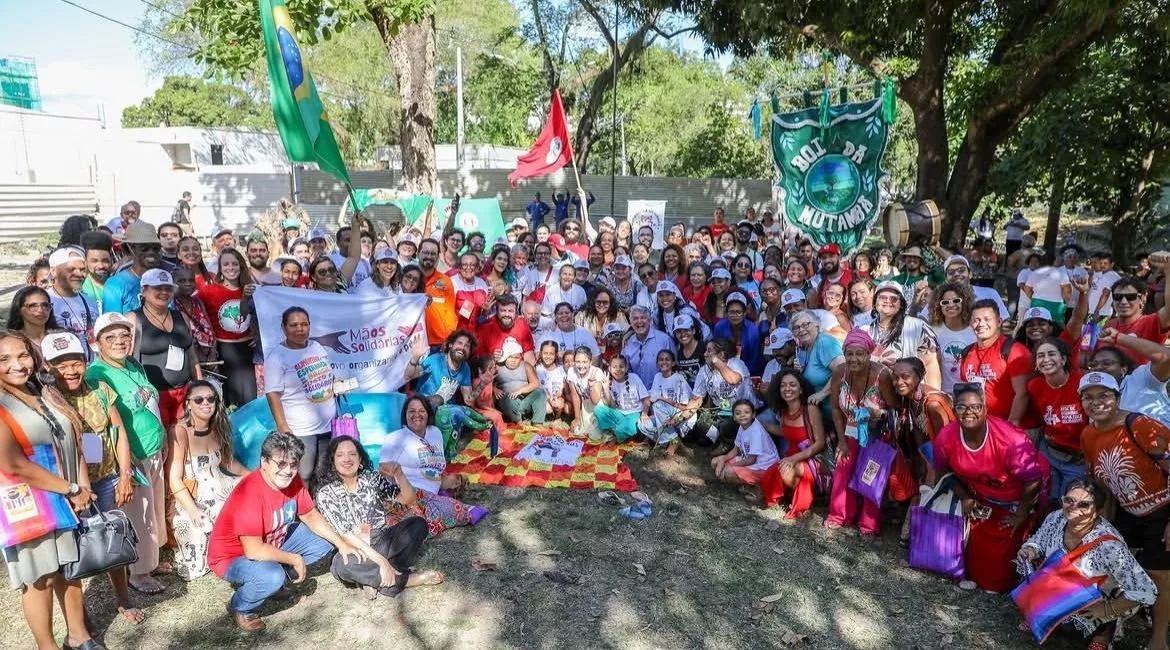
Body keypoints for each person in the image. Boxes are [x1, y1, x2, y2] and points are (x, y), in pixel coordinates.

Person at [0, 330, 105, 650]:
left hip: (69, 493)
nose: (17, 364)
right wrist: (71, 488)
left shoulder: (42, 389)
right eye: (4, 359)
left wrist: (83, 485)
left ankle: (79, 635)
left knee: (70, 567)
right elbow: (13, 464)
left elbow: (76, 436)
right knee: (40, 577)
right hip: (29, 502)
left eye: (23, 355)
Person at [207, 432, 363, 631]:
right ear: (264, 462)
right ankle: (240, 606)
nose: (287, 470)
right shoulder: (250, 493)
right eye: (280, 463)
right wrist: (294, 559)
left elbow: (310, 514)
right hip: (234, 556)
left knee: (323, 543)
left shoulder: (292, 480)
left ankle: (278, 581)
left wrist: (341, 544)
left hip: (271, 541)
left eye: (293, 464)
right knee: (271, 576)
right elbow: (253, 550)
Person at [40, 332, 144, 625]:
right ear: (47, 366)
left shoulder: (100, 389)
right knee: (72, 551)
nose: (70, 371)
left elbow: (119, 432)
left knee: (113, 539)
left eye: (76, 362)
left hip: (106, 478)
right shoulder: (45, 400)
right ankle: (78, 616)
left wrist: (125, 475)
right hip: (68, 488)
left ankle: (123, 600)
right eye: (61, 365)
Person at [1078, 370, 1170, 650]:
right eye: (1088, 397)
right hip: (1126, 511)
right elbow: (1101, 484)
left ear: (1117, 398)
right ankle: (1103, 633)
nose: (1096, 402)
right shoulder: (1088, 435)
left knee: (1160, 575)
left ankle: (1158, 640)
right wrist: (1103, 523)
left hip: (1163, 510)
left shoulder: (1139, 424)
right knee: (1112, 569)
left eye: (1104, 395)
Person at [86, 312, 171, 595]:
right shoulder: (96, 375)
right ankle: (139, 572)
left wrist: (161, 434)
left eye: (124, 335)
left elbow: (148, 403)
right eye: (110, 337)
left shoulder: (133, 364)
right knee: (139, 513)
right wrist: (112, 467)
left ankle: (151, 559)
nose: (119, 341)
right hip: (131, 456)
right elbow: (93, 426)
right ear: (96, 342)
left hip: (152, 447)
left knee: (154, 506)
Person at [933, 383, 1048, 593]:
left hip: (1018, 498)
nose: (968, 412)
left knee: (998, 580)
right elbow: (944, 472)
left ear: (986, 409)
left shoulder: (1010, 439)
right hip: (981, 499)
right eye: (961, 407)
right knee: (976, 558)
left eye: (975, 406)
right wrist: (965, 497)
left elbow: (1033, 480)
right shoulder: (946, 437)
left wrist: (1022, 514)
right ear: (954, 410)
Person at [1016, 479, 1157, 647]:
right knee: (1022, 568)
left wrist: (1105, 610)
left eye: (1084, 504)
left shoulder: (1110, 546)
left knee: (1072, 627)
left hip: (1090, 595)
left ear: (1097, 511)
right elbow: (1038, 541)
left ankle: (1103, 635)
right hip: (1058, 584)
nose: (1073, 508)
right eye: (1069, 500)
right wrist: (1030, 551)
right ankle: (1040, 614)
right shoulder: (1056, 517)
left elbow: (1146, 591)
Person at [313, 436, 441, 599]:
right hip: (354, 548)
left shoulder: (372, 479)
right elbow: (345, 534)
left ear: (360, 459)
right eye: (340, 455)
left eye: (352, 454)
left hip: (380, 540)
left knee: (418, 524)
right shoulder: (326, 493)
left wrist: (400, 474)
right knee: (341, 565)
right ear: (332, 462)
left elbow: (409, 500)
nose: (347, 459)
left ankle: (371, 579)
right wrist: (381, 561)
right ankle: (404, 579)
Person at [167, 380, 248, 581]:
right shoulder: (179, 431)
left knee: (250, 501)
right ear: (188, 403)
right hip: (191, 495)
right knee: (197, 532)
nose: (206, 403)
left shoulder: (217, 425)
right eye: (199, 399)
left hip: (220, 485)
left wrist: (254, 476)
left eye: (211, 399)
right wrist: (193, 510)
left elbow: (229, 463)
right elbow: (174, 478)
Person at [378, 396, 488, 534]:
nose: (416, 415)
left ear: (428, 414)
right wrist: (399, 483)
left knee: (444, 509)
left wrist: (445, 481)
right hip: (408, 492)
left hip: (431, 496)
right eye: (411, 411)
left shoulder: (435, 433)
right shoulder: (395, 438)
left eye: (421, 411)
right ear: (405, 415)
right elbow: (383, 470)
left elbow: (434, 469)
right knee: (454, 509)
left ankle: (416, 520)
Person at [827, 330, 896, 538]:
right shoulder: (840, 372)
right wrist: (841, 441)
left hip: (877, 434)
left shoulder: (882, 375)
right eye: (849, 353)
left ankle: (868, 523)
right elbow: (835, 409)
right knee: (843, 467)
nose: (854, 359)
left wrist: (878, 413)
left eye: (860, 353)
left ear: (869, 354)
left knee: (870, 476)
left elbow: (894, 408)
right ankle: (839, 515)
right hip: (850, 430)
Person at [264, 307, 337, 481]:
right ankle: (301, 500)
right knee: (303, 474)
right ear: (283, 327)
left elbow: (326, 376)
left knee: (324, 473)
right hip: (301, 429)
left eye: (304, 324)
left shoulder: (316, 347)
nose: (299, 329)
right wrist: (283, 427)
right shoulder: (277, 357)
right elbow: (272, 394)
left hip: (327, 426)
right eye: (294, 325)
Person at [126, 269, 200, 427]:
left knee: (185, 436)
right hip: (152, 396)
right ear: (143, 290)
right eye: (157, 288)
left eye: (168, 288)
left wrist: (200, 386)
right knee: (161, 439)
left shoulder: (181, 317)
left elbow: (192, 356)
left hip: (183, 393)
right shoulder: (133, 319)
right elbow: (125, 361)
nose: (164, 292)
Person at [759, 369, 827, 517]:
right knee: (769, 474)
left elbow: (820, 443)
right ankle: (792, 493)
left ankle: (812, 495)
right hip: (792, 456)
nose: (787, 388)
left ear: (801, 389)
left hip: (812, 459)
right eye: (783, 385)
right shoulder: (783, 410)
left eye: (792, 385)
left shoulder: (811, 409)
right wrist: (762, 424)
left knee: (786, 470)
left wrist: (793, 459)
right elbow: (786, 432)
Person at [1026, 337, 1087, 499]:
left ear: (1063, 359)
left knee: (1070, 501)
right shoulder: (1034, 386)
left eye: (1052, 354)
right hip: (1049, 452)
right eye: (1040, 356)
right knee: (1049, 499)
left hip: (1078, 460)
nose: (1046, 359)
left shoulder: (1082, 383)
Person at [198, 249, 257, 408]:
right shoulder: (208, 292)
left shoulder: (252, 290)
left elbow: (264, 316)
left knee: (250, 398)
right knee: (228, 401)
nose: (230, 268)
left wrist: (257, 335)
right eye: (226, 264)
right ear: (220, 267)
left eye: (235, 264)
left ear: (241, 266)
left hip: (247, 351)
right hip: (223, 351)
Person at [959, 299, 1033, 425]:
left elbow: (1022, 393)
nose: (981, 324)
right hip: (981, 427)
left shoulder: (1015, 351)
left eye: (987, 319)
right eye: (976, 320)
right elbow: (966, 393)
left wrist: (1010, 428)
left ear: (999, 322)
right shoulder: (967, 353)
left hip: (1015, 427)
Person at [867, 281, 942, 387]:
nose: (887, 301)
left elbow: (931, 365)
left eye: (893, 298)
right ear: (875, 302)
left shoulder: (918, 327)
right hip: (873, 393)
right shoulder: (864, 330)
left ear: (901, 304)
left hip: (910, 392)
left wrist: (932, 393)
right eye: (882, 297)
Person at [1091, 327, 1170, 427]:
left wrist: (1118, 337)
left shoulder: (1141, 379)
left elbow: (1166, 358)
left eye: (1107, 363)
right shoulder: (1092, 398)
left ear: (1123, 370)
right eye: (1094, 364)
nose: (1098, 368)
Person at [1105, 272, 1170, 364]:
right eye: (1118, 296)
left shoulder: (1151, 322)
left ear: (1143, 298)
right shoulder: (1110, 324)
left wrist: (1168, 270)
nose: (1123, 301)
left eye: (1130, 297)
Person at [102, 221, 165, 315]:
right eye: (144, 248)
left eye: (156, 248)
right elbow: (113, 321)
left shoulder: (164, 280)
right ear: (130, 249)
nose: (151, 252)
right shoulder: (115, 284)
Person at [711, 399, 778, 486]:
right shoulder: (742, 426)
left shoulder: (756, 432)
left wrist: (731, 466)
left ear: (753, 414)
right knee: (715, 462)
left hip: (764, 468)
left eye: (746, 412)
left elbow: (751, 460)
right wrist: (724, 458)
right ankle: (742, 479)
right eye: (738, 413)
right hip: (748, 460)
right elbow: (736, 450)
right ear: (734, 417)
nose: (742, 415)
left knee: (728, 472)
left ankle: (756, 486)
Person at [46, 247, 98, 359]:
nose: (79, 274)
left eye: (83, 269)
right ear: (53, 271)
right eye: (71, 269)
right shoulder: (44, 302)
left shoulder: (89, 301)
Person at [928, 282, 975, 394]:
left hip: (970, 394)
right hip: (943, 394)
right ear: (938, 306)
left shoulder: (975, 330)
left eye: (956, 300)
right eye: (945, 302)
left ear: (964, 303)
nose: (950, 305)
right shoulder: (932, 331)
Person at [593, 355, 651, 442]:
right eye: (614, 367)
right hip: (620, 413)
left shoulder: (634, 378)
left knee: (626, 427)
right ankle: (623, 430)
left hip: (634, 413)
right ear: (609, 368)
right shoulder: (610, 382)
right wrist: (606, 389)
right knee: (598, 410)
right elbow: (612, 406)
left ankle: (621, 431)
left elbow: (646, 398)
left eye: (621, 366)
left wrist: (644, 413)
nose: (618, 369)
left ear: (626, 368)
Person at [621, 305, 677, 388]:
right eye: (635, 318)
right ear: (630, 322)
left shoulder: (664, 340)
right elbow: (624, 370)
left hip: (662, 391)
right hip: (636, 392)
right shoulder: (627, 343)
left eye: (643, 318)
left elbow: (675, 366)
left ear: (650, 320)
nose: (639, 321)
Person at [493, 338, 546, 424]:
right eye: (510, 357)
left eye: (516, 357)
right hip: (507, 403)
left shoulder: (526, 365)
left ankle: (537, 422)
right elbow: (487, 382)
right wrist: (494, 389)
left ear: (521, 357)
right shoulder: (497, 367)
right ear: (505, 357)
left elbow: (535, 383)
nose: (513, 360)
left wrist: (520, 391)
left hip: (524, 401)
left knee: (540, 392)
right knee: (510, 399)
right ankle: (518, 422)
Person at [417, 239, 458, 347]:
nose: (429, 256)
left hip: (437, 343)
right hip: (413, 341)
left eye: (433, 253)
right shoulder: (409, 278)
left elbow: (450, 312)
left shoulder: (445, 281)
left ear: (438, 256)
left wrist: (449, 338)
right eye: (425, 252)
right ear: (418, 253)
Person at [476, 293, 536, 363]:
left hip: (520, 366)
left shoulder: (522, 324)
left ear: (516, 313)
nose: (507, 314)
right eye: (503, 310)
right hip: (495, 367)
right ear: (497, 312)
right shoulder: (486, 328)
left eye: (510, 311)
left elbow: (529, 353)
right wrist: (491, 358)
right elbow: (479, 360)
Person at [714, 292, 762, 376]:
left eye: (738, 312)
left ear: (744, 313)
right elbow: (716, 352)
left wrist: (740, 375)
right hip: (723, 371)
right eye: (731, 312)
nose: (735, 315)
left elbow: (754, 360)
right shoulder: (719, 327)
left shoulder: (752, 331)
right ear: (726, 313)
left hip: (748, 373)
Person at [566, 346, 606, 438]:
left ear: (590, 362)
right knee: (576, 431)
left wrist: (591, 387)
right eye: (578, 362)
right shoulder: (571, 371)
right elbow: (575, 396)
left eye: (584, 362)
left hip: (599, 406)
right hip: (585, 405)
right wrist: (577, 418)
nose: (581, 366)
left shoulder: (597, 372)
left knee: (595, 436)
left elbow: (595, 400)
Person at [1023, 253, 1073, 323]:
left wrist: (1034, 298)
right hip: (1056, 305)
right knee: (1057, 326)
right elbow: (1067, 291)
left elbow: (1027, 289)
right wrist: (1065, 303)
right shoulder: (1062, 274)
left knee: (1037, 324)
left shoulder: (1034, 273)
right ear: (1054, 261)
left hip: (1037, 302)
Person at [808, 244, 853, 308]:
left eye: (831, 256)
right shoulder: (821, 285)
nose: (827, 260)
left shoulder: (853, 277)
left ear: (839, 257)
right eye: (824, 258)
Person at [79, 230, 114, 311]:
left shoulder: (120, 286)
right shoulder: (80, 290)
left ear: (111, 260)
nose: (101, 266)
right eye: (94, 261)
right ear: (85, 262)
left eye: (105, 261)